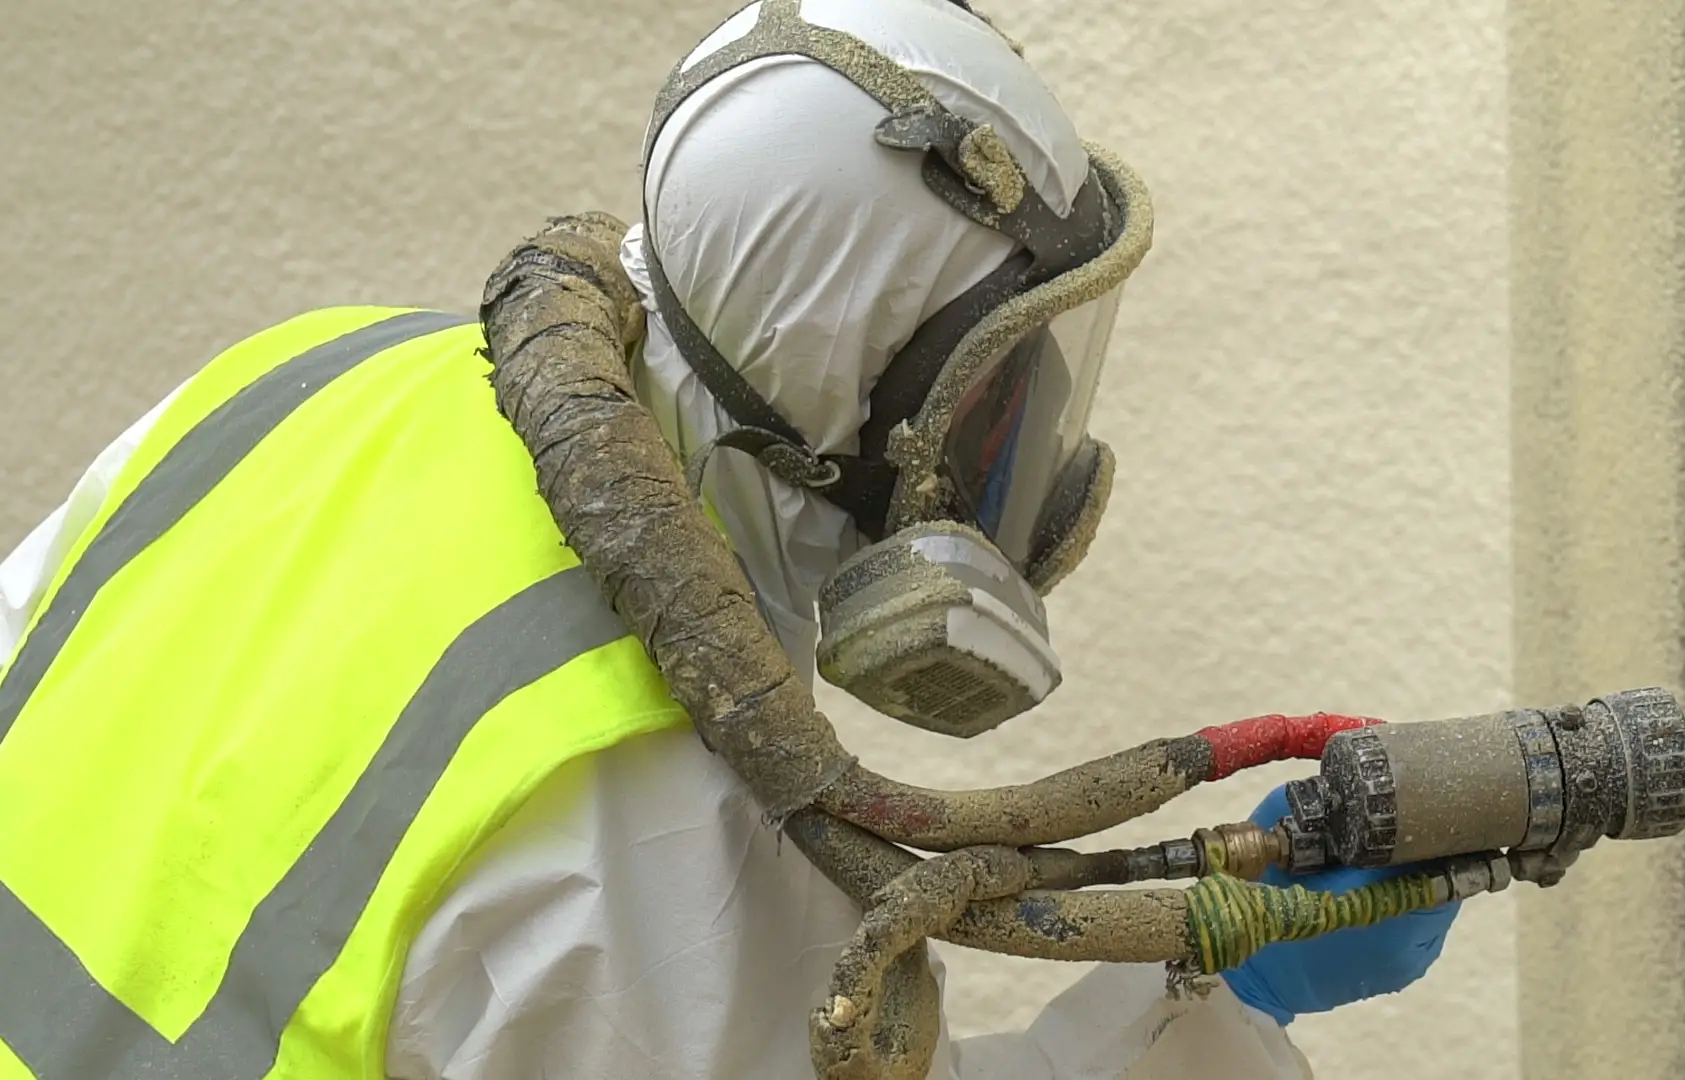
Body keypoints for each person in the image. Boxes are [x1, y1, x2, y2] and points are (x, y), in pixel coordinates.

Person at [0, 1, 1458, 1077]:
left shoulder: (309, 377)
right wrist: (1226, 1007)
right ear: (839, 408)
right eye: (997, 409)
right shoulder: (660, 817)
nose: (1032, 481)